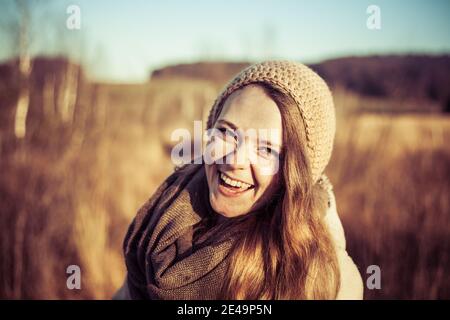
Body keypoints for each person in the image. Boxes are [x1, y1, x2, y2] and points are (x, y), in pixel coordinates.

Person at [114, 61, 363, 300]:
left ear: (296, 174)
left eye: (266, 149)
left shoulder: (323, 280)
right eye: (225, 132)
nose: (235, 160)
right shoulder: (164, 222)